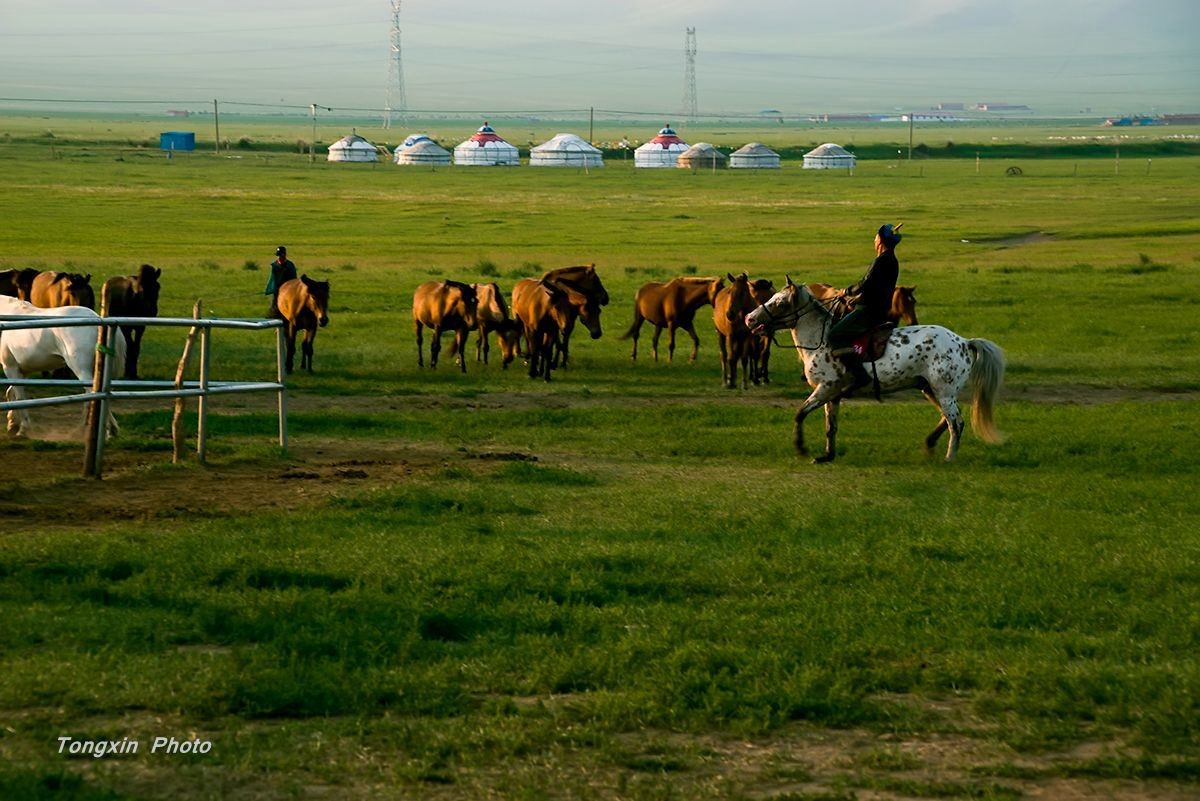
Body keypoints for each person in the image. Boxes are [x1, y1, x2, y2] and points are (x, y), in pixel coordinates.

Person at [828, 223, 903, 393]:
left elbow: (865, 284)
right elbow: (874, 288)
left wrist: (845, 292)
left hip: (869, 311)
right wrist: (856, 299)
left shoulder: (882, 260)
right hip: (872, 306)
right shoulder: (890, 260)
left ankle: (859, 375)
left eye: (876, 237)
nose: (874, 239)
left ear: (881, 242)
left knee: (834, 334)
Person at [264, 245, 297, 317]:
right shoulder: (275, 265)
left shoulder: (290, 265)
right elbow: (273, 278)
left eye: (281, 255)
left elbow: (294, 279)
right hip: (277, 290)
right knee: (275, 305)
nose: (279, 257)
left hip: (288, 290)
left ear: (284, 254)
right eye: (278, 255)